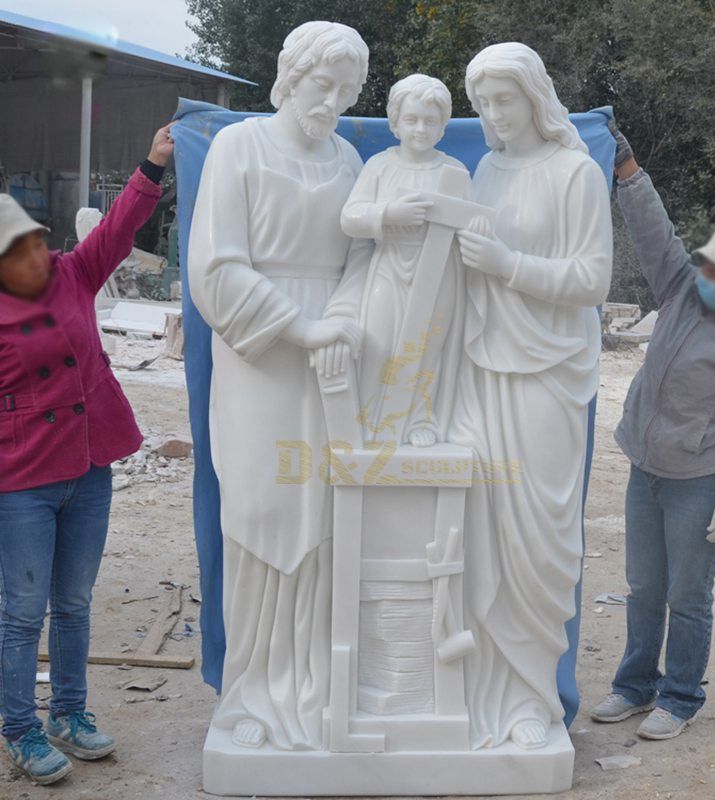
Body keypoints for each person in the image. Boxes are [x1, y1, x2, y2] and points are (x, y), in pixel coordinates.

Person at [187, 21, 371, 751]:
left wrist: (345, 325)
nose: (332, 100)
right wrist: (302, 328)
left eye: (348, 90)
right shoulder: (239, 148)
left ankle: (321, 687)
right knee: (261, 508)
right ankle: (256, 694)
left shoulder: (353, 162)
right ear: (290, 79)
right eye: (322, 84)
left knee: (328, 518)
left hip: (332, 366)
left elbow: (365, 265)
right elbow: (217, 270)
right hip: (260, 357)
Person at [591, 121, 715, 739]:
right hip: (647, 469)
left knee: (688, 596)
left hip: (699, 482)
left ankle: (679, 697)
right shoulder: (678, 289)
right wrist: (628, 170)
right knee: (643, 587)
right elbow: (653, 231)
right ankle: (634, 687)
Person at [450, 42, 613, 750]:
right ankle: (481, 696)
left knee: (537, 541)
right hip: (484, 369)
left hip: (547, 377)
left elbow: (591, 281)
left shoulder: (574, 173)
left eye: (504, 100)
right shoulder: (484, 168)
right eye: (483, 103)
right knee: (483, 534)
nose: (493, 114)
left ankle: (530, 702)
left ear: (534, 97)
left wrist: (507, 264)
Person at [0, 125, 174, 783]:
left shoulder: (74, 274)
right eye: (21, 250)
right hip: (21, 483)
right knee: (19, 611)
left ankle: (69, 714)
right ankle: (19, 727)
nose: (39, 254)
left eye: (39, 240)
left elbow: (117, 230)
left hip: (88, 470)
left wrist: (152, 165)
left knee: (72, 601)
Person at [341, 73, 466, 446]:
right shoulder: (380, 166)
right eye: (411, 119)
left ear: (444, 125)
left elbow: (472, 222)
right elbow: (350, 218)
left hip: (439, 273)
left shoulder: (454, 171)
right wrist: (388, 213)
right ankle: (372, 418)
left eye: (430, 121)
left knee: (427, 350)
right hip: (389, 269)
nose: (420, 129)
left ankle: (419, 420)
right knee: (378, 343)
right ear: (395, 122)